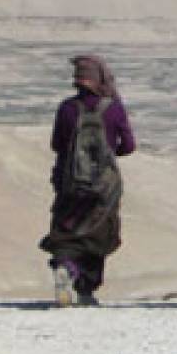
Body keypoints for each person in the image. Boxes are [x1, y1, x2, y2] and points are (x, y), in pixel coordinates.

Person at [39, 55, 136, 306]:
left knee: (67, 229)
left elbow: (56, 144)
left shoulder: (67, 108)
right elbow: (128, 146)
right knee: (98, 232)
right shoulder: (113, 108)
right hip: (104, 186)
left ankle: (65, 267)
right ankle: (86, 289)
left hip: (70, 183)